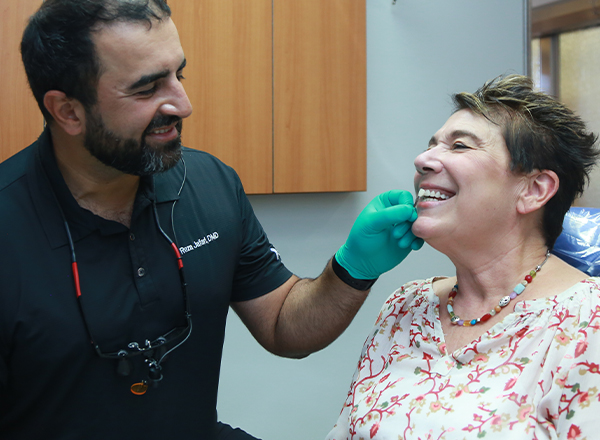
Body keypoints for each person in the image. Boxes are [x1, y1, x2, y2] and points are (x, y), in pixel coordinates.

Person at [0, 1, 423, 439]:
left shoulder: (209, 183)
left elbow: (282, 324)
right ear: (68, 111)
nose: (183, 104)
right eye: (147, 89)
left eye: (177, 75)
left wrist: (352, 269)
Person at [325, 74, 600, 439]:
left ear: (534, 190)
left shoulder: (586, 325)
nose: (422, 160)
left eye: (459, 147)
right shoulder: (405, 306)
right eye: (431, 145)